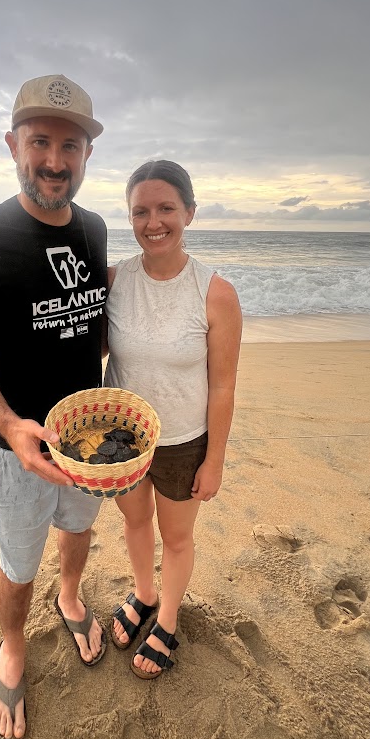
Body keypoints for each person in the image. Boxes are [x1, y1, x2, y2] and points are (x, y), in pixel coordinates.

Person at [0, 74, 108, 739]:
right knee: (17, 562)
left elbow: (91, 326)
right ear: (13, 145)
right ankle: (12, 646)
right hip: (15, 447)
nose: (54, 161)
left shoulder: (95, 229)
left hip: (90, 439)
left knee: (78, 529)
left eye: (70, 146)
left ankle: (69, 597)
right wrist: (10, 425)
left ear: (87, 154)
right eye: (40, 142)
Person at [104, 160, 242, 679]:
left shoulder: (215, 293)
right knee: (135, 521)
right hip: (122, 438)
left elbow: (223, 385)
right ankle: (143, 592)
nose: (153, 222)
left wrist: (215, 460)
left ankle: (166, 618)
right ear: (130, 217)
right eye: (141, 211)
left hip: (184, 441)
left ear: (189, 212)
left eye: (166, 208)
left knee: (177, 537)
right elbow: (86, 348)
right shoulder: (114, 280)